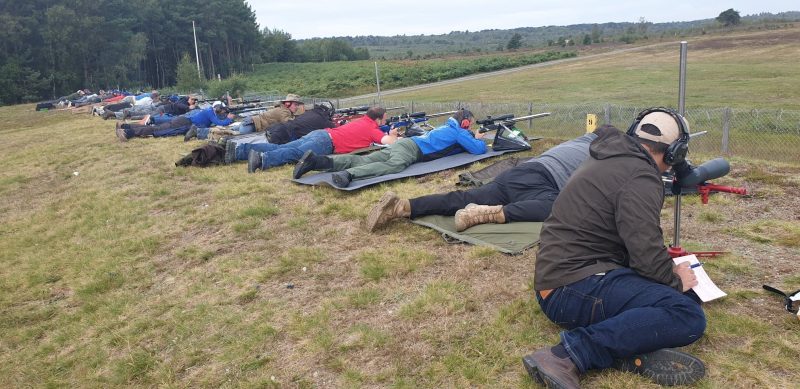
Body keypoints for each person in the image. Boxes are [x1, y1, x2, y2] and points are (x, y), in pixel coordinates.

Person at [523, 108, 706, 388]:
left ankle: (615, 348)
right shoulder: (640, 176)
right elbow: (645, 253)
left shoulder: (612, 157)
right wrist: (674, 279)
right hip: (570, 287)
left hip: (566, 278)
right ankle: (568, 355)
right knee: (687, 314)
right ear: (674, 153)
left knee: (681, 298)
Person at [365, 129, 601, 232]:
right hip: (543, 181)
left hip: (517, 173)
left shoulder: (577, 141)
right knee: (560, 205)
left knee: (463, 197)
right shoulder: (607, 155)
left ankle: (403, 206)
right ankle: (490, 214)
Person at [293, 109, 486, 188]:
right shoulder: (458, 132)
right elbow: (479, 150)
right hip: (411, 150)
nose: (469, 127)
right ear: (465, 122)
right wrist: (477, 138)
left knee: (364, 159)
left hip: (404, 144)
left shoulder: (448, 127)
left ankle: (317, 162)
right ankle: (349, 175)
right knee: (392, 167)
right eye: (469, 125)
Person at [236, 106, 397, 173]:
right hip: (326, 142)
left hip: (320, 134)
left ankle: (240, 151)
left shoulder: (362, 121)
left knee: (285, 147)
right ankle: (263, 160)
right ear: (377, 119)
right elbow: (389, 142)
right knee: (295, 153)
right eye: (383, 119)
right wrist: (394, 135)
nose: (384, 122)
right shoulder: (372, 129)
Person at [116, 102, 234, 141]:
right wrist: (229, 118)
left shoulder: (209, 111)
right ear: (218, 108)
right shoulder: (210, 113)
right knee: (157, 130)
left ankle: (125, 126)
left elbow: (217, 120)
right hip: (183, 123)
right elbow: (220, 123)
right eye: (222, 110)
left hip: (183, 121)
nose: (223, 112)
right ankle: (127, 133)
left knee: (156, 128)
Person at [234, 93, 304, 135]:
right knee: (237, 137)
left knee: (230, 131)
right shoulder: (283, 111)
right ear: (288, 104)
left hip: (249, 122)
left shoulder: (283, 109)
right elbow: (289, 123)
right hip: (251, 126)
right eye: (295, 104)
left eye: (298, 105)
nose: (297, 107)